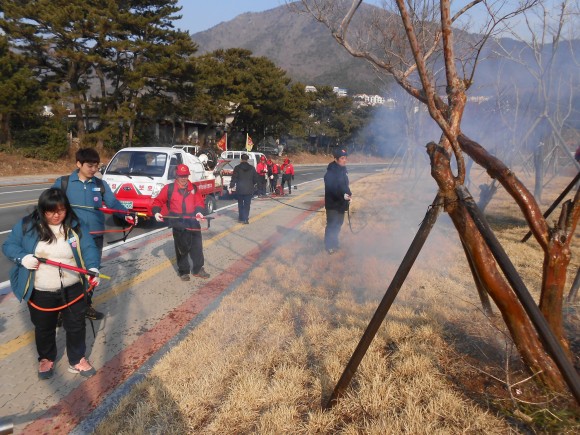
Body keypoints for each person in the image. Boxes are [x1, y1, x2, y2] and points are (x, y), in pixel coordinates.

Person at [2, 188, 101, 379]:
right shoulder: (28, 225)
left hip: (73, 287)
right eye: (51, 211)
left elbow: (89, 247)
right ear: (42, 210)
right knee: (44, 328)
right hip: (41, 290)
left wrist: (93, 268)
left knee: (76, 325)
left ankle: (77, 359)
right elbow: (8, 246)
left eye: (61, 210)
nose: (57, 215)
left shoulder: (75, 225)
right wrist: (23, 258)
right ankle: (46, 358)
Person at [53, 148, 136, 321]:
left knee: (91, 272)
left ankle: (85, 305)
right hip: (71, 237)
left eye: (96, 166)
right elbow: (50, 204)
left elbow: (114, 203)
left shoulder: (100, 185)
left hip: (95, 238)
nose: (94, 169)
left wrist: (126, 214)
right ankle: (61, 310)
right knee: (68, 273)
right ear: (79, 164)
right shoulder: (64, 183)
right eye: (90, 166)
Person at [152, 164, 210, 281]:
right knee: (181, 248)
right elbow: (157, 201)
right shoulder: (169, 188)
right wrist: (156, 212)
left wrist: (199, 212)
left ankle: (198, 269)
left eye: (186, 176)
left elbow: (199, 202)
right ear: (176, 176)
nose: (184, 178)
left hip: (193, 221)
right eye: (181, 176)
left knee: (197, 247)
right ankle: (183, 271)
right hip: (178, 222)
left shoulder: (193, 188)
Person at [324, 149, 352, 254]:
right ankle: (329, 246)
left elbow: (345, 186)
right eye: (342, 158)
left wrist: (349, 194)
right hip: (332, 204)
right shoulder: (330, 172)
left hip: (341, 204)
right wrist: (342, 195)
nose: (345, 160)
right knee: (332, 225)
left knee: (338, 225)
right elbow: (331, 189)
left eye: (345, 158)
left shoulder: (343, 171)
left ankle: (335, 243)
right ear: (336, 159)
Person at [229, 154, 259, 224]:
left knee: (240, 204)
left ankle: (241, 218)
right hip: (249, 189)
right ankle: (246, 219)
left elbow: (234, 178)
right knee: (247, 205)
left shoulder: (237, 168)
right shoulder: (252, 168)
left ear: (241, 159)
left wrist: (231, 185)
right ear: (247, 160)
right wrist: (253, 184)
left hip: (240, 189)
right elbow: (255, 179)